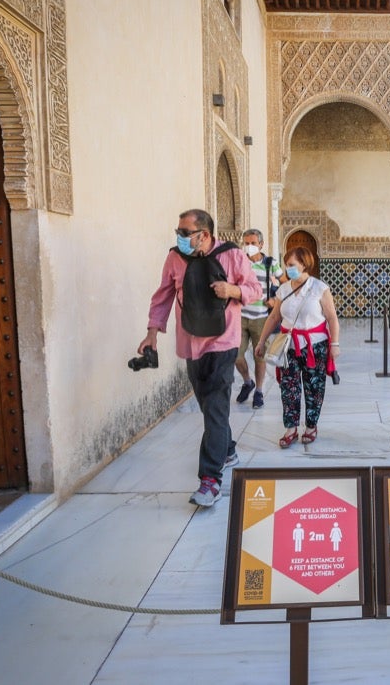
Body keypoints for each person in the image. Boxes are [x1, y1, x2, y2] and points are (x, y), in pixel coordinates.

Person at [138, 209, 262, 507]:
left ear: (204, 235)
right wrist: (152, 332)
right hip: (190, 343)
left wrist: (232, 289)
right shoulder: (175, 258)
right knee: (209, 407)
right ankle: (227, 450)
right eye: (178, 232)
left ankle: (210, 480)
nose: (179, 237)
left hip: (223, 342)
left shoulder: (232, 255)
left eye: (184, 232)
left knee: (216, 406)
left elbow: (255, 289)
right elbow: (163, 296)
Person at [255, 246, 341, 448]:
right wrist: (261, 341)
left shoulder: (320, 288)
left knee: (314, 387)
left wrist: (335, 344)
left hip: (315, 345)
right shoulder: (284, 289)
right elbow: (274, 317)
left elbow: (332, 318)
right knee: (289, 388)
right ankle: (291, 428)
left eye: (291, 264)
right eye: (286, 264)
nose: (288, 268)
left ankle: (311, 426)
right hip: (288, 347)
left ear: (304, 264)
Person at [235, 228, 284, 410]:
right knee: (235, 355)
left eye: (253, 243)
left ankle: (259, 391)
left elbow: (286, 283)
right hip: (240, 316)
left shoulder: (271, 263)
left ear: (261, 244)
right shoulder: (239, 262)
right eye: (246, 243)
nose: (249, 246)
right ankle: (248, 382)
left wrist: (275, 300)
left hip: (262, 318)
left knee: (259, 357)